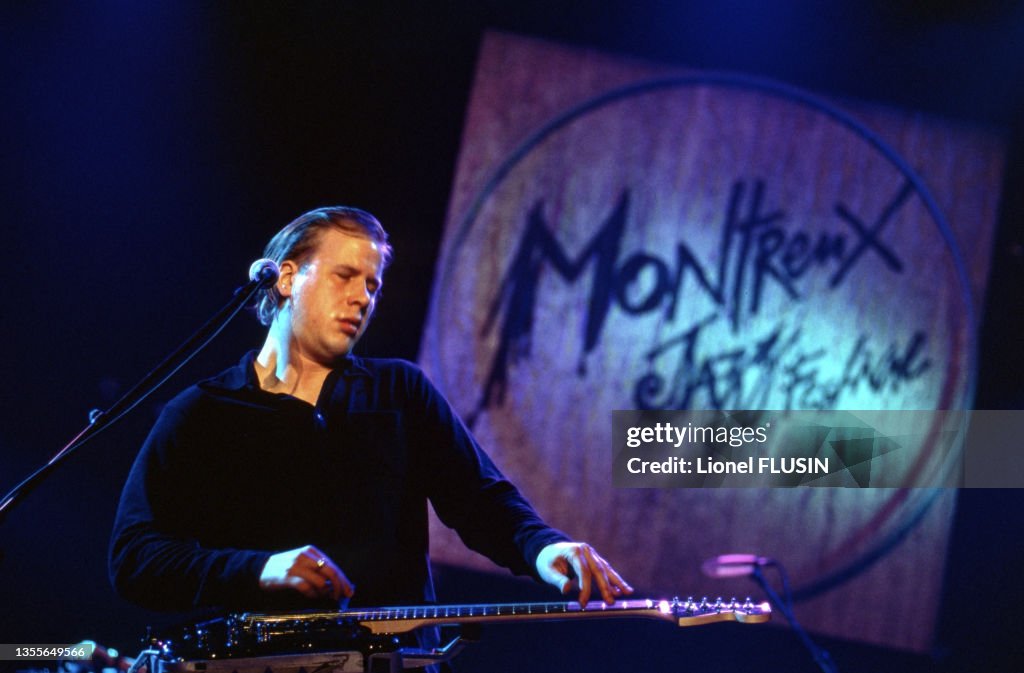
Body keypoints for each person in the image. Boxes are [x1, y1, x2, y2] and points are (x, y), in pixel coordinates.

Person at [108, 206, 631, 662]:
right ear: (286, 279)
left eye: (373, 284)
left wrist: (544, 550)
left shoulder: (399, 391)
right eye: (344, 276)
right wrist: (258, 569)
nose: (363, 298)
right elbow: (136, 557)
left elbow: (481, 501)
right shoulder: (202, 412)